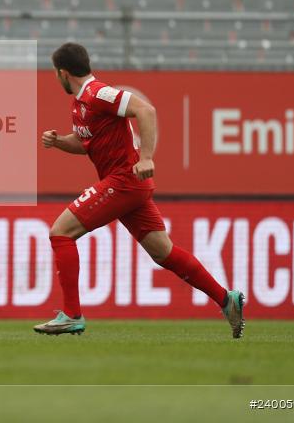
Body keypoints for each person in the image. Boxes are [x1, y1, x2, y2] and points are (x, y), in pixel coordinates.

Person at [36, 42, 245, 338]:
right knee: (163, 252)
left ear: (63, 73)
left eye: (55, 74)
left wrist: (146, 157)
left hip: (124, 180)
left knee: (60, 232)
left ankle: (71, 315)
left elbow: (145, 110)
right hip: (129, 186)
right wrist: (59, 142)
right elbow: (86, 145)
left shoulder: (98, 93)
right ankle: (227, 299)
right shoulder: (81, 104)